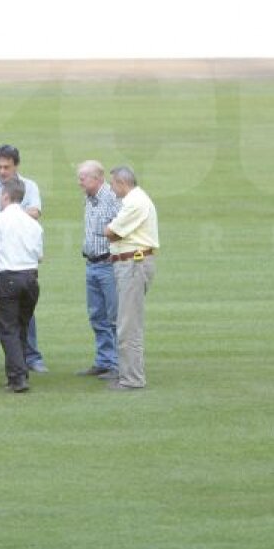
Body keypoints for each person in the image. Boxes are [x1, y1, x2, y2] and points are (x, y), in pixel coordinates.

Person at [0, 144, 48, 374]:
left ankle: (31, 357)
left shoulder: (30, 186)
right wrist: (16, 216)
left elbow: (36, 212)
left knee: (25, 313)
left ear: (16, 166)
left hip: (20, 261)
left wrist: (5, 218)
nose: (2, 171)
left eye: (6, 167)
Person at [0, 178, 44, 393]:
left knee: (7, 328)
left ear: (5, 197)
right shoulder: (33, 224)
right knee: (21, 326)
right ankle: (18, 371)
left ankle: (17, 378)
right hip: (31, 279)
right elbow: (40, 257)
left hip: (8, 278)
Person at [103, 165, 159, 391]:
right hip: (129, 264)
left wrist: (110, 230)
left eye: (113, 184)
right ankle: (128, 374)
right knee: (126, 321)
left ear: (122, 183)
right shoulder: (133, 200)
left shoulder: (135, 202)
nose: (111, 188)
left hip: (133, 265)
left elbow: (112, 232)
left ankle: (132, 379)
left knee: (129, 324)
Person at [75, 160, 121, 378]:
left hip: (109, 265)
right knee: (97, 316)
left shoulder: (113, 199)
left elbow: (124, 228)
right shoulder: (89, 198)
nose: (79, 183)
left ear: (96, 178)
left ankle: (118, 364)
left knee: (115, 317)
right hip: (92, 264)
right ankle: (104, 361)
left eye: (82, 178)